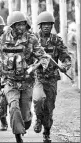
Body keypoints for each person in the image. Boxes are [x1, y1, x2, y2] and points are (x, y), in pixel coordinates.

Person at [0, 11, 51, 143]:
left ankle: (26, 122)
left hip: (27, 82)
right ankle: (18, 135)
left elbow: (43, 57)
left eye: (23, 24)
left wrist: (35, 66)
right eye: (18, 25)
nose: (21, 27)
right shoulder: (3, 39)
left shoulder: (31, 39)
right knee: (14, 107)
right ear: (12, 26)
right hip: (9, 81)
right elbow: (0, 61)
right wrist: (0, 83)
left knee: (26, 115)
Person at [32, 11, 72, 143]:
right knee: (38, 99)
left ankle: (47, 132)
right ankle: (38, 118)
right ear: (40, 25)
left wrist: (64, 66)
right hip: (38, 77)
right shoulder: (34, 40)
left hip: (52, 79)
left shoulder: (56, 40)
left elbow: (66, 57)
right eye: (44, 24)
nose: (47, 26)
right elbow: (27, 56)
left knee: (49, 107)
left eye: (49, 24)